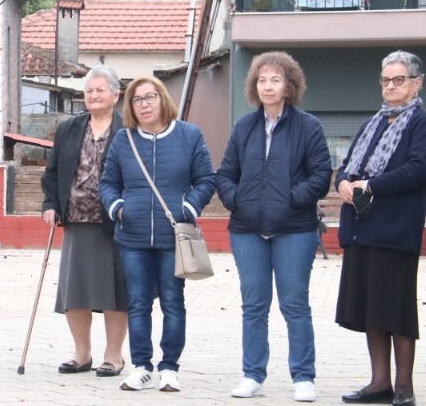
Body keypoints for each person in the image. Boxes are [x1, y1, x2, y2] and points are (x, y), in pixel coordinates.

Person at [215, 51, 331, 402]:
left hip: (295, 228)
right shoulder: (243, 127)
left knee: (294, 304)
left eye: (275, 80)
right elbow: (225, 174)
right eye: (262, 80)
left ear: (289, 85)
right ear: (254, 86)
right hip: (247, 229)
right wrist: (237, 200)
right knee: (253, 305)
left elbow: (320, 176)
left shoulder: (308, 126)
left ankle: (303, 376)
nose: (268, 86)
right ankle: (252, 374)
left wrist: (290, 199)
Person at [99, 76, 215, 391]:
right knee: (138, 303)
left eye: (150, 97)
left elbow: (206, 179)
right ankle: (141, 366)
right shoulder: (123, 140)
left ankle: (169, 368)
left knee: (173, 302)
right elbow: (108, 183)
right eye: (137, 100)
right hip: (133, 237)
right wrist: (118, 208)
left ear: (163, 99)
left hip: (173, 237)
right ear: (130, 106)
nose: (144, 104)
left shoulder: (189, 135)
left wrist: (188, 208)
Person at [334, 50, 424, 406]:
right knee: (372, 308)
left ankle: (404, 387)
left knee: (396, 310)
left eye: (398, 79)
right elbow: (347, 166)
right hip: (362, 228)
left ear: (416, 83)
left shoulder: (420, 121)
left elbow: (418, 168)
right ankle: (379, 383)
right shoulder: (373, 122)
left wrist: (372, 186)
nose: (390, 86)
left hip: (395, 230)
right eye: (385, 80)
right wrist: (343, 183)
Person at [40, 65, 128, 377]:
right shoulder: (69, 128)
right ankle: (81, 354)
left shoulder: (128, 130)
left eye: (100, 90)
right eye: (89, 90)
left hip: (116, 223)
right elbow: (52, 174)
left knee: (116, 293)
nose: (93, 95)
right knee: (74, 292)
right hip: (76, 221)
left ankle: (113, 356)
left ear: (115, 95)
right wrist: (50, 204)